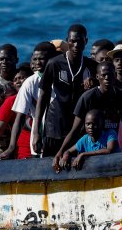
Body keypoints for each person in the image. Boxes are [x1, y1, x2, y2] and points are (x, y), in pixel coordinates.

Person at [34, 24, 96, 157]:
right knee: (50, 163)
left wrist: (95, 83)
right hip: (55, 125)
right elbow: (43, 97)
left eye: (80, 41)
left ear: (86, 41)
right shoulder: (54, 63)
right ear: (67, 40)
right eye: (72, 41)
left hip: (78, 127)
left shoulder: (91, 66)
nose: (76, 45)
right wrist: (36, 132)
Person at [54, 61, 122, 166]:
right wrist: (61, 151)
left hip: (110, 145)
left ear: (115, 75)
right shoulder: (88, 97)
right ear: (97, 77)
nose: (107, 78)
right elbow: (75, 130)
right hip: (90, 145)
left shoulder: (121, 95)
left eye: (110, 74)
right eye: (103, 75)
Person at [4, 42, 55, 160]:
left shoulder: (61, 77)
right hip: (40, 136)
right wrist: (11, 147)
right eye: (35, 59)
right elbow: (20, 116)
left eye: (41, 59)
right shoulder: (30, 82)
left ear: (52, 58)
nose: (37, 63)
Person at [0, 65, 33, 160]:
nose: (18, 82)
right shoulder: (10, 102)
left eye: (22, 78)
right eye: (15, 80)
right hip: (23, 153)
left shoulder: (41, 97)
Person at [54, 109, 118, 172]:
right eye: (88, 124)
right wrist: (65, 156)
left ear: (102, 124)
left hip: (113, 169)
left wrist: (83, 154)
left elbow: (109, 150)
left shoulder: (110, 133)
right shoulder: (85, 139)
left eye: (94, 124)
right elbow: (68, 151)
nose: (90, 127)